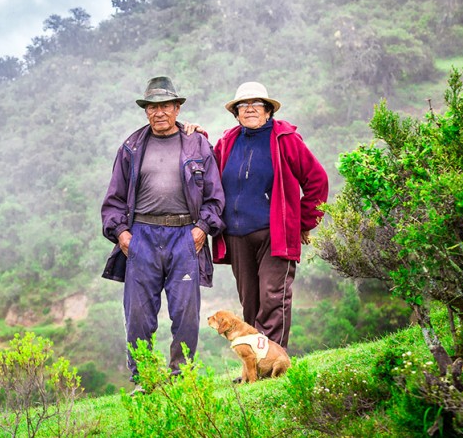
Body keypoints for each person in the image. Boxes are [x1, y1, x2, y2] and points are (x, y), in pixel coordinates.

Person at [100, 76, 225, 387]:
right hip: (141, 236)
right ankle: (144, 379)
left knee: (186, 312)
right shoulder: (131, 147)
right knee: (139, 314)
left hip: (185, 236)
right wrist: (122, 234)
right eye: (152, 107)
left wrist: (202, 228)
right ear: (146, 111)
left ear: (177, 108)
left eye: (165, 106)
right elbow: (114, 200)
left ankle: (181, 377)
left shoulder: (197, 145)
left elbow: (215, 196)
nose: (158, 112)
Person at [207, 81, 328, 351]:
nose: (249, 109)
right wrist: (194, 135)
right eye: (243, 105)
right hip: (237, 235)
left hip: (276, 234)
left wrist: (303, 223)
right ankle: (255, 362)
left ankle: (271, 361)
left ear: (268, 110)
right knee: (250, 302)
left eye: (256, 104)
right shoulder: (227, 142)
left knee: (273, 297)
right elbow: (208, 174)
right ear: (236, 113)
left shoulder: (285, 139)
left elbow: (317, 181)